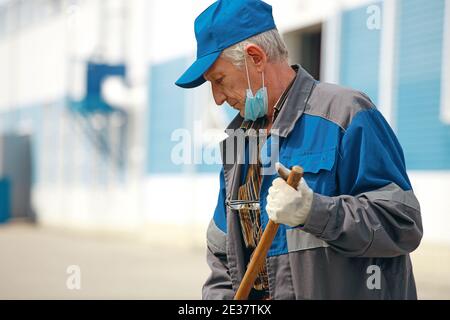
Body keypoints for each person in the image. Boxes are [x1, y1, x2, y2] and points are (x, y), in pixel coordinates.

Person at [175, 0, 423, 300]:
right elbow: (222, 255)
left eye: (219, 80)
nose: (216, 98)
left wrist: (313, 212)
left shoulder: (345, 114)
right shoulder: (239, 145)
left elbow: (402, 224)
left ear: (255, 57)